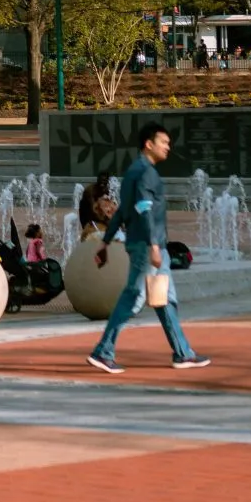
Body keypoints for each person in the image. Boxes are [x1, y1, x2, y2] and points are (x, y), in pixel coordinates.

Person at [88, 122, 207, 372]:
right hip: (148, 245)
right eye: (164, 142)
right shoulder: (146, 172)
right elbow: (143, 209)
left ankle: (182, 353)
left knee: (165, 299)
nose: (168, 147)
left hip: (147, 244)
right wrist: (154, 245)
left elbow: (122, 211)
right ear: (148, 144)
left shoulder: (133, 171)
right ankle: (103, 351)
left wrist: (105, 242)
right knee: (134, 297)